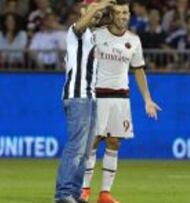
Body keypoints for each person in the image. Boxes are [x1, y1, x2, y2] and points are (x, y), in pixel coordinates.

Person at [79, 1, 161, 203]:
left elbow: (139, 70)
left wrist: (147, 100)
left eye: (126, 12)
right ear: (112, 15)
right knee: (93, 141)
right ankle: (84, 189)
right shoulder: (97, 35)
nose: (123, 16)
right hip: (98, 96)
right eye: (119, 12)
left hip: (121, 98)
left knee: (114, 142)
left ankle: (105, 193)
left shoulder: (134, 41)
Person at [55, 1, 115, 202]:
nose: (98, 14)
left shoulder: (91, 37)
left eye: (100, 11)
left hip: (89, 97)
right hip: (77, 96)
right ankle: (63, 193)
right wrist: (100, 5)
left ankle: (74, 192)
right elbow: (81, 25)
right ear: (82, 11)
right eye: (92, 8)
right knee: (76, 148)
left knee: (85, 151)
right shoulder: (75, 31)